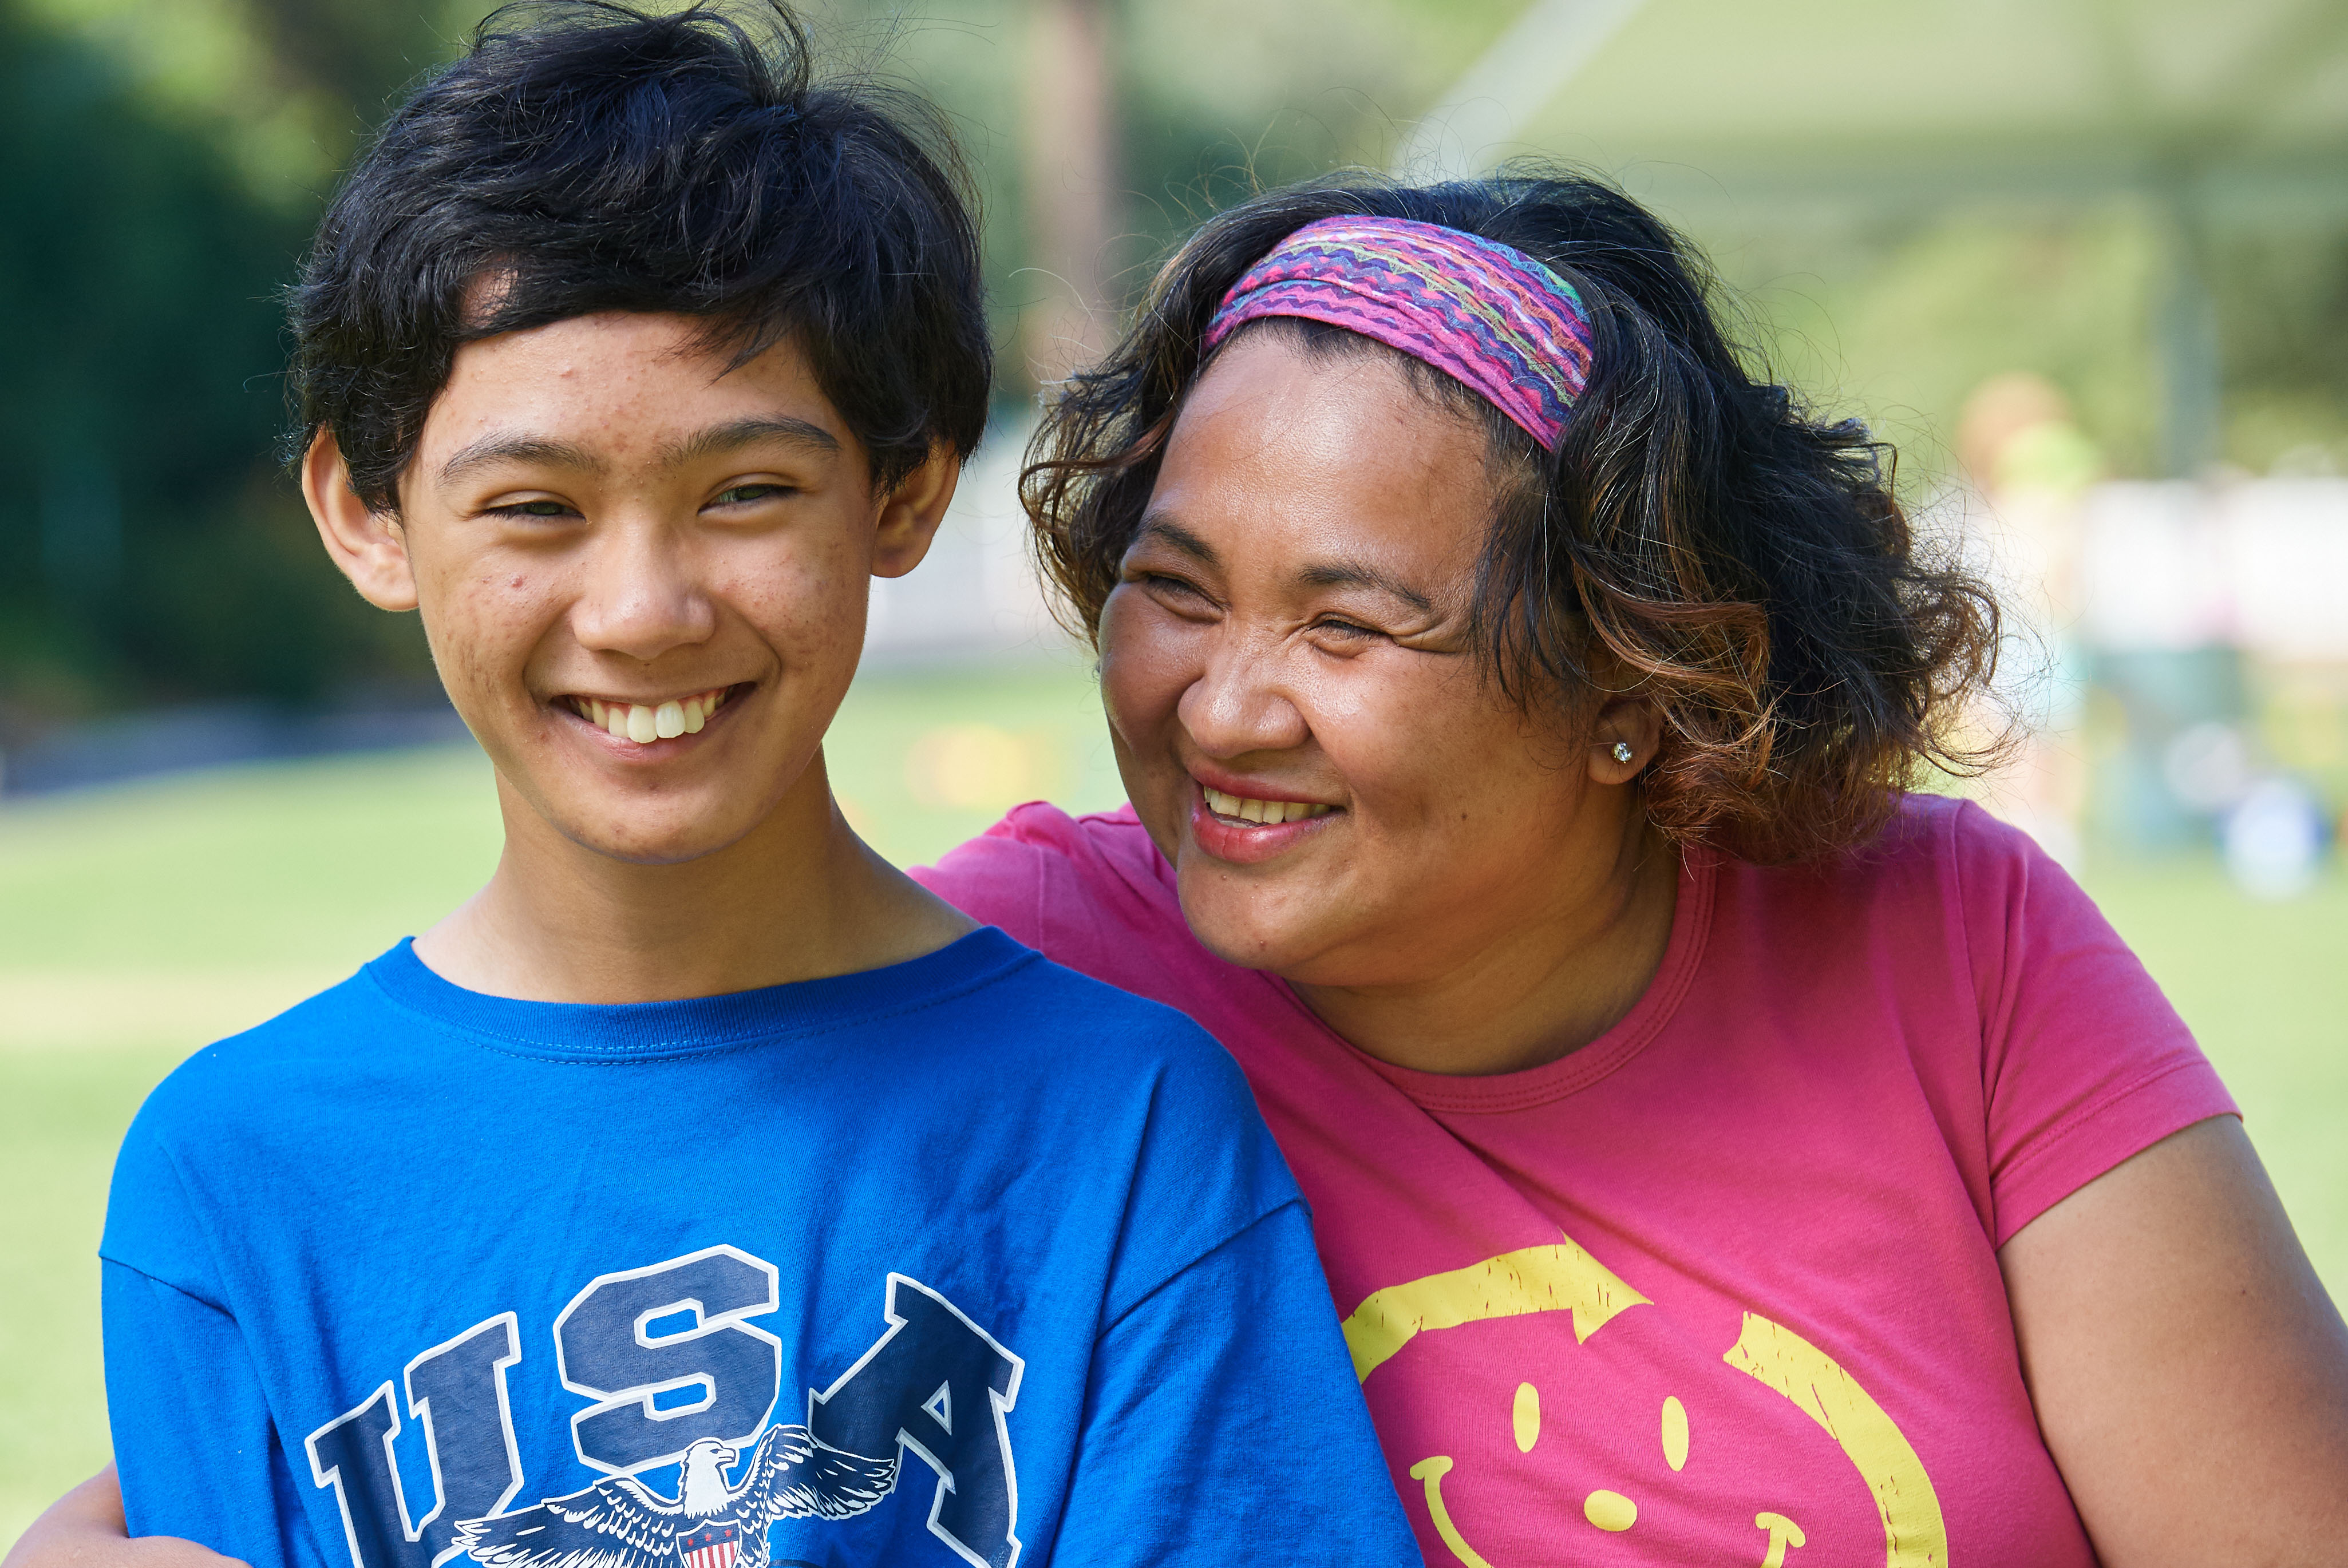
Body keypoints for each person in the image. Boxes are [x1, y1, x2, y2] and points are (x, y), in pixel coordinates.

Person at [16, 171, 2348, 1568]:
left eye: (1352, 621)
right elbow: (528, 1228)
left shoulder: (1947, 935)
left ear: (1635, 668)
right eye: (1177, 582)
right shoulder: (1019, 979)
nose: (1220, 703)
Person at [14, 9, 1418, 1568]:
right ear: (369, 511)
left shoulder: (1119, 1128)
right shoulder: (239, 1172)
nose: (641, 608)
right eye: (534, 506)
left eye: (745, 492)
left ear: (902, 490)